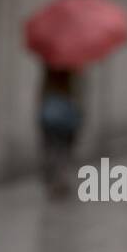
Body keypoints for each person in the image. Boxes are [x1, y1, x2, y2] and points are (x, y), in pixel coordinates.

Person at [38, 67, 82, 199]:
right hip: (66, 121)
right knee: (64, 152)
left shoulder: (48, 78)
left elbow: (41, 98)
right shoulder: (70, 78)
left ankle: (53, 180)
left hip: (49, 120)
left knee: (51, 150)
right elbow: (76, 101)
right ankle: (60, 181)